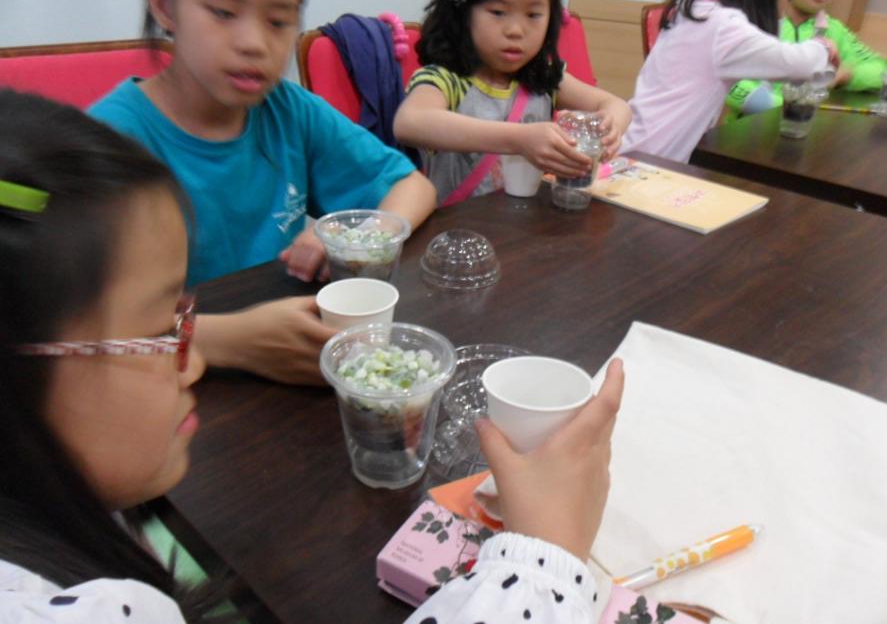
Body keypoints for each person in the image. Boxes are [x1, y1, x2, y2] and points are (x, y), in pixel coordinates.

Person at [0, 89, 624, 624]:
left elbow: (409, 182)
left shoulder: (290, 109)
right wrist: (544, 558)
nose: (191, 361)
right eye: (161, 330)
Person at [89, 0, 436, 385]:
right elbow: (70, 328)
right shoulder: (105, 144)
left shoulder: (289, 110)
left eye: (278, 21)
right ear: (164, 4)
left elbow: (412, 186)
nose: (254, 43)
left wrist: (357, 240)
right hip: (165, 394)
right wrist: (226, 341)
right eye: (223, 12)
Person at [393, 0, 632, 206]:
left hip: (529, 225)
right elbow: (410, 122)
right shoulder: (447, 79)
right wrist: (519, 139)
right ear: (464, 12)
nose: (516, 30)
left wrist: (610, 127)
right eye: (498, 12)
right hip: (457, 228)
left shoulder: (543, 77)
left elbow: (616, 105)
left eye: (533, 15)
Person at [622, 0, 840, 163]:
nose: (785, 7)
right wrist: (823, 47)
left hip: (636, 143)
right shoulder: (724, 28)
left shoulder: (697, 7)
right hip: (648, 159)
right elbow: (797, 63)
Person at [724, 0, 887, 120]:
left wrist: (846, 75)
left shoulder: (835, 30)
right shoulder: (753, 18)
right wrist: (790, 106)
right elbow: (730, 82)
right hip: (746, 131)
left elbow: (881, 71)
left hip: (805, 129)